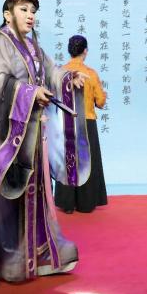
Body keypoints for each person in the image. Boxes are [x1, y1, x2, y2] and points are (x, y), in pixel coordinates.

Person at [0, 0, 88, 284]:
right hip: (8, 138)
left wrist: (68, 79)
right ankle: (10, 256)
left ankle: (39, 251)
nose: (30, 15)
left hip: (32, 135)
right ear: (8, 14)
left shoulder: (33, 46)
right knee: (10, 198)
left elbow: (52, 71)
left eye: (33, 10)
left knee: (37, 195)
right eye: (24, 9)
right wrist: (30, 93)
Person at [54, 35, 108, 214]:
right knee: (86, 162)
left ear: (69, 50)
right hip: (87, 121)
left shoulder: (61, 72)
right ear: (85, 51)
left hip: (66, 122)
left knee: (67, 160)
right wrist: (103, 95)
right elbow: (100, 102)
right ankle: (86, 203)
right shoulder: (90, 73)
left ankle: (67, 203)